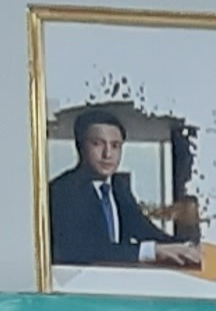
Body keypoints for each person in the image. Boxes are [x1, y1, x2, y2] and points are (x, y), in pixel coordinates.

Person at [49, 106, 199, 269]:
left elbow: (144, 230)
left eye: (115, 146)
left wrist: (187, 247)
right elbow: (87, 251)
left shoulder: (119, 187)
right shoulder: (62, 191)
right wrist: (153, 251)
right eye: (97, 144)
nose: (107, 154)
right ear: (80, 147)